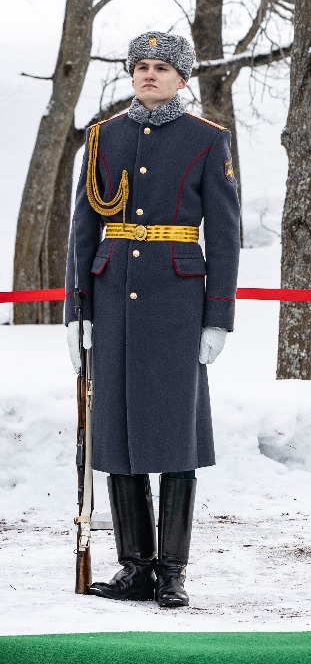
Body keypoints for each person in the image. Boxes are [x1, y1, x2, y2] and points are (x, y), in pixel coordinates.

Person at [64, 31, 240, 608]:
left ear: (182, 78)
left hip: (177, 303)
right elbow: (84, 229)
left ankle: (172, 570)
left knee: (175, 439)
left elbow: (226, 235)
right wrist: (77, 310)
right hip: (113, 300)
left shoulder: (207, 140)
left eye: (162, 67)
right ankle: (135, 568)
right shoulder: (104, 137)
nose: (149, 75)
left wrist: (217, 317)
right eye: (140, 66)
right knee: (117, 435)